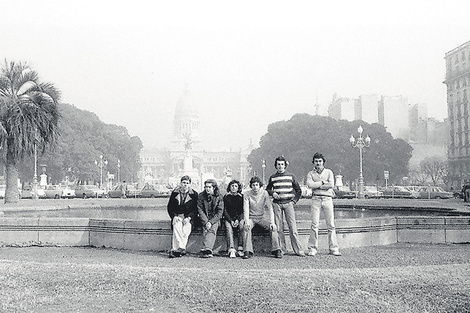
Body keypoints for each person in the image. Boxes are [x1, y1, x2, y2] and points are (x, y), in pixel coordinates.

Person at [266, 156, 305, 257]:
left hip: (288, 203)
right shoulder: (273, 177)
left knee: (293, 227)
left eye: (282, 164)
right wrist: (272, 192)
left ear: (285, 165)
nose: (280, 166)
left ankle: (298, 250)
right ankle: (282, 249)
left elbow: (298, 190)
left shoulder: (291, 176)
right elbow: (268, 189)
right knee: (279, 228)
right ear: (276, 165)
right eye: (278, 164)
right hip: (277, 204)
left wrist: (294, 201)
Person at [306, 152, 341, 256]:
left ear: (323, 162)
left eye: (320, 161)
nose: (318, 163)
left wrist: (317, 185)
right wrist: (322, 183)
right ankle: (312, 248)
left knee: (331, 224)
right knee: (314, 224)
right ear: (313, 162)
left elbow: (331, 184)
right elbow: (309, 185)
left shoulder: (329, 172)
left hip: (327, 199)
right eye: (316, 161)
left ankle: (334, 248)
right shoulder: (310, 174)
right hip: (316, 199)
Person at [241, 176, 282, 259]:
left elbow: (270, 208)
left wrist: (272, 222)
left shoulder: (264, 193)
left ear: (260, 186)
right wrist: (247, 221)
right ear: (251, 186)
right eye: (253, 185)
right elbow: (246, 209)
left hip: (261, 218)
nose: (255, 187)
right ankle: (247, 251)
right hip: (251, 218)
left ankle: (276, 250)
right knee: (246, 228)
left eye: (257, 185)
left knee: (273, 228)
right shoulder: (246, 194)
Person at [166, 175, 198, 258]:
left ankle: (175, 250)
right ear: (180, 183)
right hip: (178, 216)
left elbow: (196, 209)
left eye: (187, 183)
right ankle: (182, 248)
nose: (185, 185)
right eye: (184, 182)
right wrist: (174, 216)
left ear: (190, 184)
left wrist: (189, 218)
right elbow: (170, 207)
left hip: (189, 218)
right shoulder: (175, 193)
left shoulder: (194, 194)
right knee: (176, 225)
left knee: (185, 229)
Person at [197, 179, 224, 258]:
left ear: (214, 188)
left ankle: (206, 248)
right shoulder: (201, 196)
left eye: (209, 187)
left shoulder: (219, 197)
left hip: (215, 219)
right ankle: (207, 250)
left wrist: (211, 222)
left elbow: (219, 212)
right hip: (204, 218)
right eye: (206, 187)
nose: (207, 189)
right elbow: (200, 210)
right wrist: (206, 222)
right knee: (206, 228)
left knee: (213, 227)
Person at [223, 179, 244, 258]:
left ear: (238, 188)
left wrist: (238, 220)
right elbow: (224, 211)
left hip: (238, 218)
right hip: (229, 218)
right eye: (232, 186)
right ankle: (231, 249)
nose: (234, 188)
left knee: (242, 225)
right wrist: (231, 220)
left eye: (236, 186)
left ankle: (240, 247)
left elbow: (242, 211)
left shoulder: (241, 197)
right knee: (228, 228)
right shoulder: (226, 197)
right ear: (229, 187)